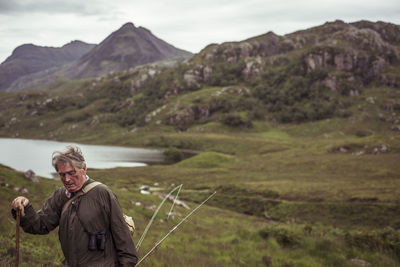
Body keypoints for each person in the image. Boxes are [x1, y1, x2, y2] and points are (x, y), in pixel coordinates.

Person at [11, 145, 138, 266]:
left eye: (72, 173)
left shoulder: (103, 194)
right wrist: (25, 208)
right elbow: (39, 225)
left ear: (84, 168)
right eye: (62, 174)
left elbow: (125, 244)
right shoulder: (60, 196)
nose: (66, 179)